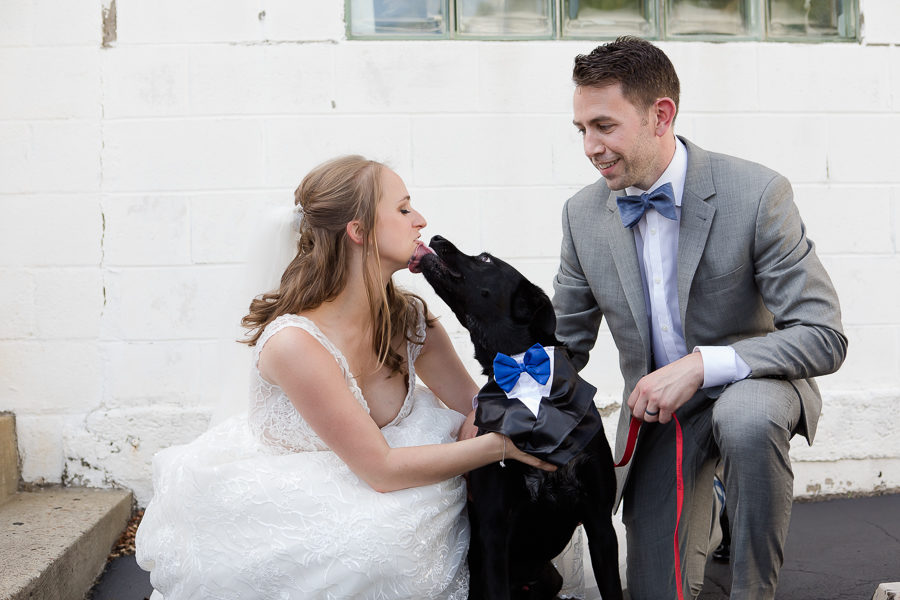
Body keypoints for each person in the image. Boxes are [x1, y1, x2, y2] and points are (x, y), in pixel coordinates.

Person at [135, 155, 554, 600]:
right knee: (384, 547)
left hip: (388, 468)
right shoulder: (296, 344)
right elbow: (381, 470)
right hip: (312, 489)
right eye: (403, 208)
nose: (421, 221)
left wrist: (486, 414)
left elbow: (472, 401)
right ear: (359, 232)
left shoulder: (409, 318)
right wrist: (499, 445)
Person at [551, 37, 847, 600]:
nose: (590, 146)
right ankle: (711, 509)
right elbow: (565, 344)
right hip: (660, 414)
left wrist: (701, 365)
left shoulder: (758, 193)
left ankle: (753, 589)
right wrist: (500, 405)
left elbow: (823, 335)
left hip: (753, 386)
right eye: (581, 129)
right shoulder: (582, 216)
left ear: (661, 115)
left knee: (746, 420)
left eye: (604, 126)